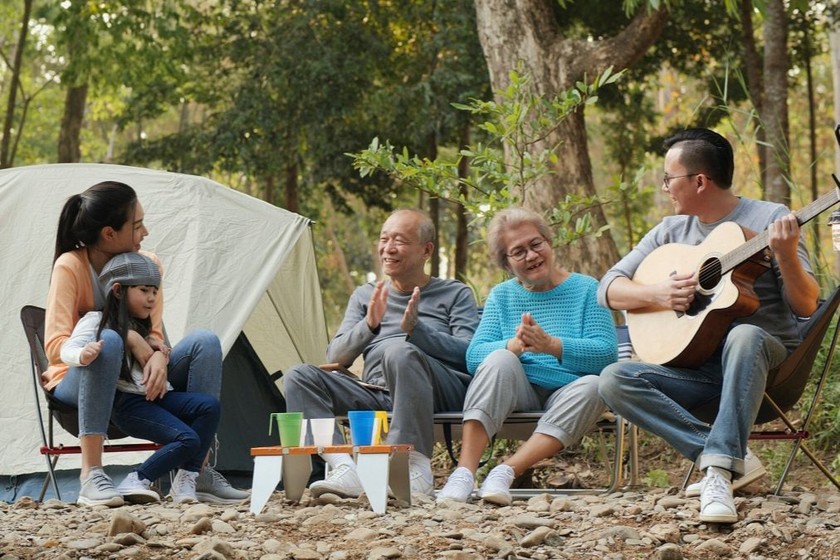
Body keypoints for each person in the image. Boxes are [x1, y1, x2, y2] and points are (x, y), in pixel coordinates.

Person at [597, 128, 819, 524]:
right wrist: (659, 294)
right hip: (696, 373)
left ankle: (717, 472)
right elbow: (608, 289)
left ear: (699, 181)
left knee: (744, 334)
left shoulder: (771, 219)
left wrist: (784, 254)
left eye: (669, 178)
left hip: (767, 369)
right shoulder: (670, 231)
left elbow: (806, 305)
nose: (665, 187)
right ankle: (723, 457)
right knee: (614, 379)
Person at [44, 181, 249, 506]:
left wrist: (158, 355)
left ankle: (196, 471)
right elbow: (55, 346)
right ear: (110, 234)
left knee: (205, 342)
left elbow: (155, 333)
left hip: (136, 384)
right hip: (76, 383)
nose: (146, 231)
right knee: (109, 340)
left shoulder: (146, 264)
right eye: (137, 225)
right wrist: (128, 336)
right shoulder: (71, 266)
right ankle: (91, 474)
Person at [284, 208, 479, 497]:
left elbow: (470, 355)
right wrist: (370, 324)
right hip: (376, 391)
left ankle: (414, 468)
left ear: (426, 250)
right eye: (384, 238)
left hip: (436, 389)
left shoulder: (455, 293)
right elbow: (335, 357)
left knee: (400, 351)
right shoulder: (366, 295)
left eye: (399, 240)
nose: (388, 248)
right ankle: (344, 466)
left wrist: (418, 331)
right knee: (299, 375)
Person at [436, 207, 618, 506]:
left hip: (568, 394)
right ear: (507, 263)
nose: (532, 256)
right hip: (517, 393)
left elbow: (606, 354)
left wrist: (552, 345)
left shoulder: (587, 288)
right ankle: (464, 474)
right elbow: (474, 357)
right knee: (498, 358)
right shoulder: (502, 296)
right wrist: (513, 346)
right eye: (518, 252)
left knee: (597, 384)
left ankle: (505, 472)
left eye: (536, 244)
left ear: (549, 242)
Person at [61, 252, 222, 504]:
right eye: (145, 290)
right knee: (188, 439)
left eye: (155, 291)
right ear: (117, 291)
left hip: (154, 398)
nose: (152, 298)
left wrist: (160, 352)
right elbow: (66, 350)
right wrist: (83, 354)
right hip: (130, 406)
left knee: (209, 406)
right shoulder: (95, 321)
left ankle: (187, 479)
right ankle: (137, 478)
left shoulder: (142, 329)